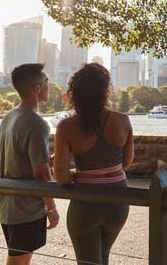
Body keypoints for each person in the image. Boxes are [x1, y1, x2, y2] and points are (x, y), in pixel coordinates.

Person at [54, 63, 134, 265]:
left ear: (75, 92)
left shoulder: (66, 127)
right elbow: (126, 163)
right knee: (102, 258)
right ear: (105, 90)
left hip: (86, 205)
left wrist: (76, 174)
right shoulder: (123, 120)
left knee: (89, 262)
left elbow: (61, 177)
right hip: (118, 203)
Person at [0, 63, 59, 265]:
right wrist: (51, 208)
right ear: (37, 88)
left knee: (21, 258)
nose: (50, 85)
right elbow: (41, 175)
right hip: (26, 208)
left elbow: (17, 157)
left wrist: (47, 161)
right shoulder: (36, 123)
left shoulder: (8, 117)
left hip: (5, 204)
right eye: (47, 81)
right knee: (19, 261)